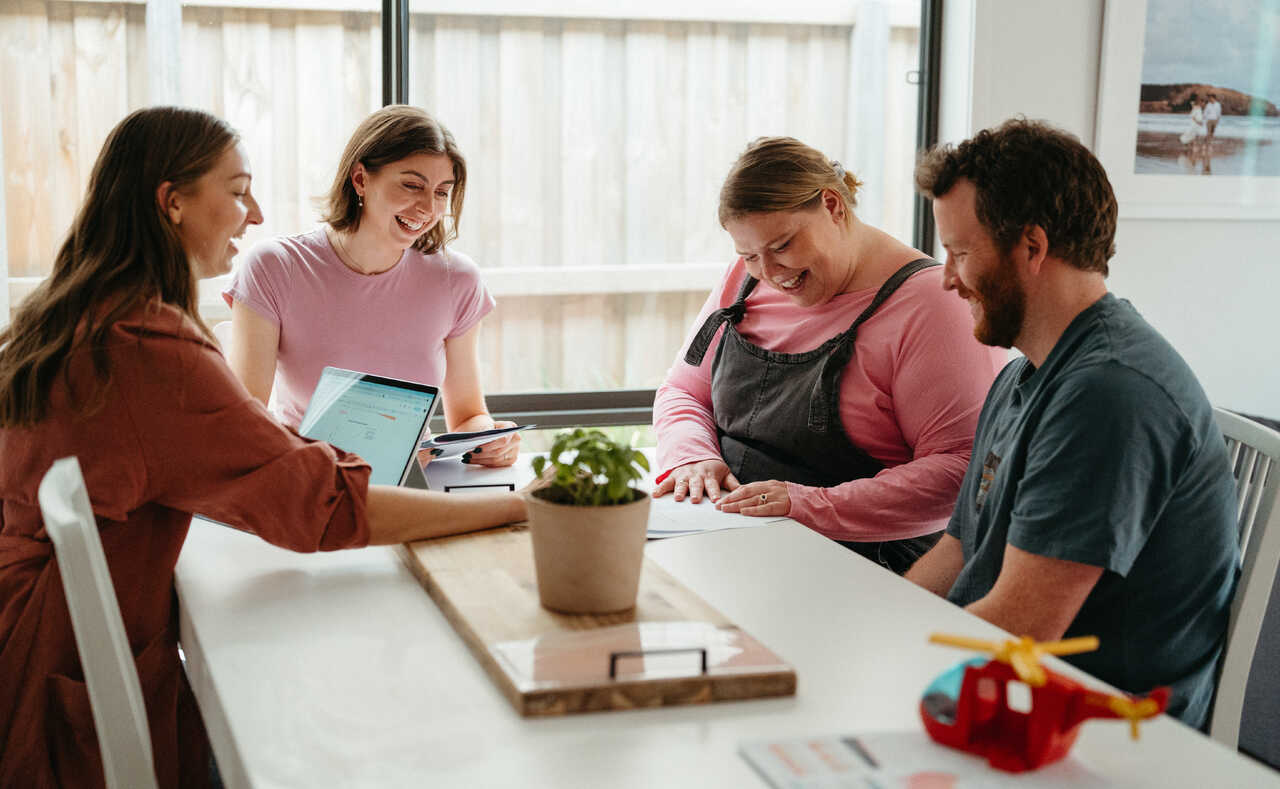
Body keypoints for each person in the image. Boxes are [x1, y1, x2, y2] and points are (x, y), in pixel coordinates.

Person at [0, 107, 526, 788]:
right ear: (174, 203)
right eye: (239, 189)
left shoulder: (91, 315)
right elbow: (325, 506)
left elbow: (261, 445)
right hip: (60, 691)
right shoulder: (149, 349)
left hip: (46, 650)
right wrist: (517, 511)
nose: (255, 214)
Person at [908, 118, 1238, 729]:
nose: (947, 277)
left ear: (1031, 247)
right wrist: (874, 627)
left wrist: (881, 662)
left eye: (959, 252)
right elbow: (958, 551)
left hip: (1095, 734)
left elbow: (1021, 628)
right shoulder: (1024, 375)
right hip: (1014, 696)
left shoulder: (1110, 394)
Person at [652, 137, 1006, 575]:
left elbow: (959, 470)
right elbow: (683, 392)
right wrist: (691, 456)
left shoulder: (933, 304)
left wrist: (806, 505)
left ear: (833, 206)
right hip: (730, 534)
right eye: (748, 255)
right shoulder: (746, 280)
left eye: (782, 246)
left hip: (865, 560)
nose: (770, 273)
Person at [224, 105, 518, 468]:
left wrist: (490, 440)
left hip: (412, 486)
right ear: (360, 179)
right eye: (412, 185)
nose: (428, 207)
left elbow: (469, 416)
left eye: (442, 192)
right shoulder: (276, 266)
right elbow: (245, 422)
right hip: (308, 481)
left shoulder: (457, 280)